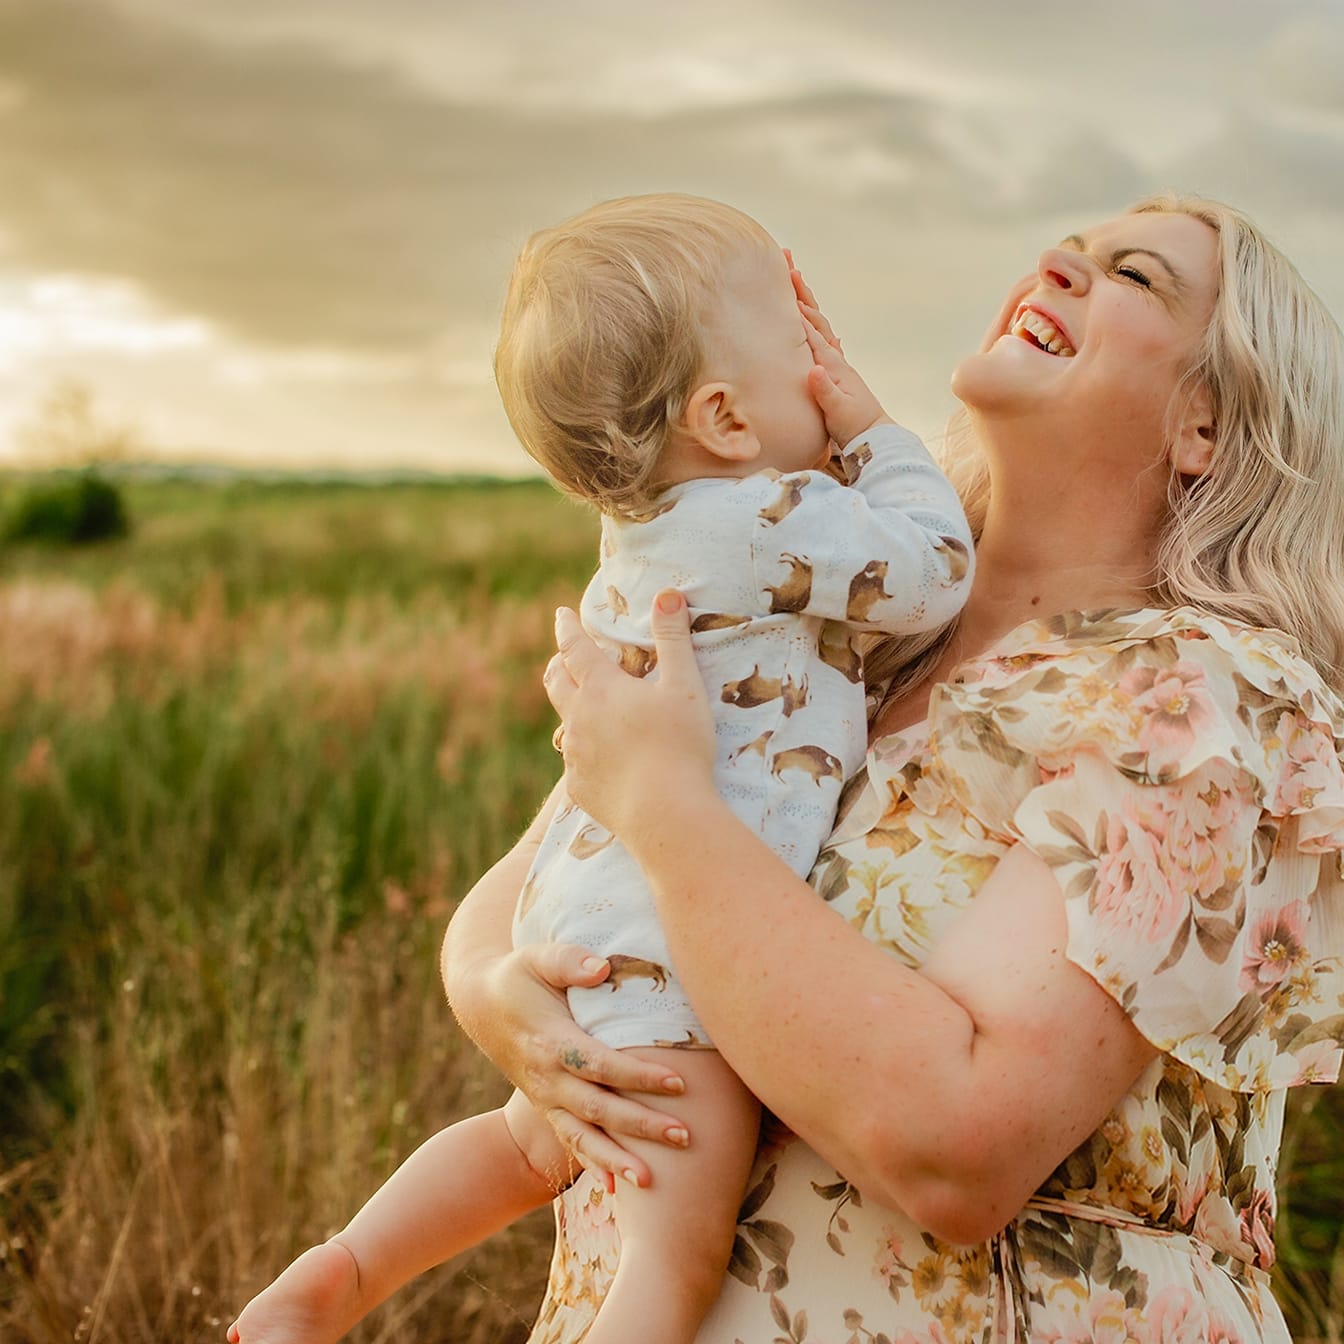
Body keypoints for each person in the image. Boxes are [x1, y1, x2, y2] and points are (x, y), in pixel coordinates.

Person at [445, 194, 1344, 1343]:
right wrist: (502, 1007)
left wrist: (664, 810)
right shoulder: (833, 634)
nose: (1059, 259)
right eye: (1070, 245)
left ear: (1204, 424)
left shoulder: (1203, 703)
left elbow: (956, 1145)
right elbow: (532, 888)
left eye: (1133, 275)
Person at [228, 194, 972, 1344]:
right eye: (802, 353)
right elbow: (932, 570)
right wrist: (872, 430)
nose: (824, 371)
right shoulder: (769, 518)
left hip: (584, 921)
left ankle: (343, 1267)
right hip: (675, 957)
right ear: (724, 416)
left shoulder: (649, 534)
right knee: (672, 1262)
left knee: (535, 1140)